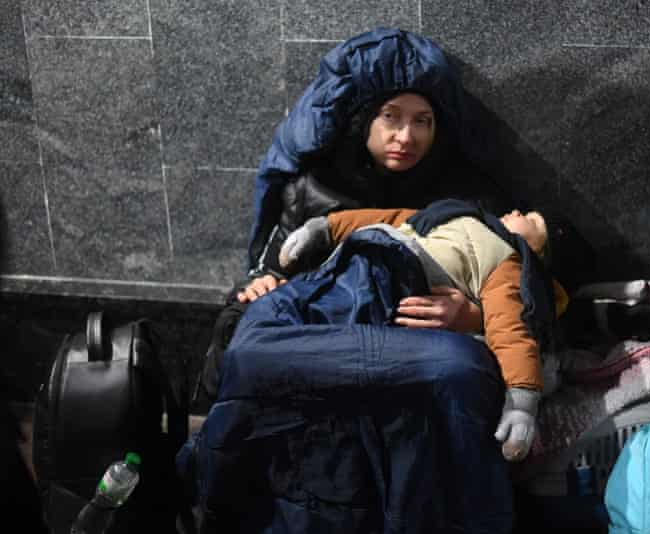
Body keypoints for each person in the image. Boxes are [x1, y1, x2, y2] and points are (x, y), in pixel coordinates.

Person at [183, 28, 544, 533]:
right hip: (321, 338)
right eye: (390, 117)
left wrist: (474, 317)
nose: (407, 136)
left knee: (450, 377)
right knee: (246, 343)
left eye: (424, 121)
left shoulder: (468, 197)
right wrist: (261, 283)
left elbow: (527, 291)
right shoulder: (311, 190)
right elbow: (271, 272)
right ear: (362, 120)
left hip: (411, 347)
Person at [277, 201, 558, 461]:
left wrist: (521, 402)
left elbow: (510, 329)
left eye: (533, 221)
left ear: (537, 251)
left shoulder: (506, 261)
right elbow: (390, 217)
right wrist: (324, 228)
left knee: (328, 320)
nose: (520, 213)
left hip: (400, 278)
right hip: (365, 250)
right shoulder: (452, 211)